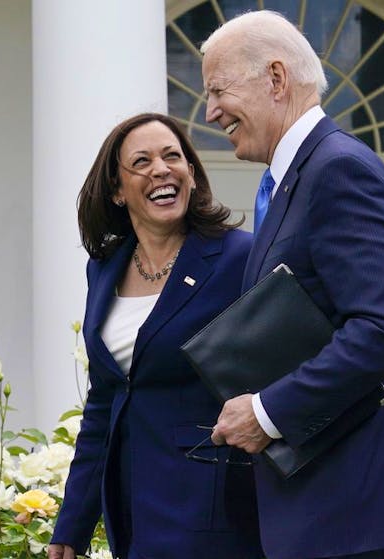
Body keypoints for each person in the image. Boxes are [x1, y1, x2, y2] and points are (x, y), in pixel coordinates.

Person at [201, 11, 384, 559]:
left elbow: (382, 331)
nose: (210, 110)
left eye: (218, 90)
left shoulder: (337, 171)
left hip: (346, 500)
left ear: (276, 78)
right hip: (323, 497)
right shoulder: (297, 177)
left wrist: (266, 412)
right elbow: (353, 313)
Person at [48, 113, 263, 559]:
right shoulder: (104, 269)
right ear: (116, 190)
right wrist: (72, 526)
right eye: (141, 162)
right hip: (132, 512)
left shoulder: (238, 257)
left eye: (172, 157)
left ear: (190, 172)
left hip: (212, 509)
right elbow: (104, 404)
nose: (161, 170)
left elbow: (306, 335)